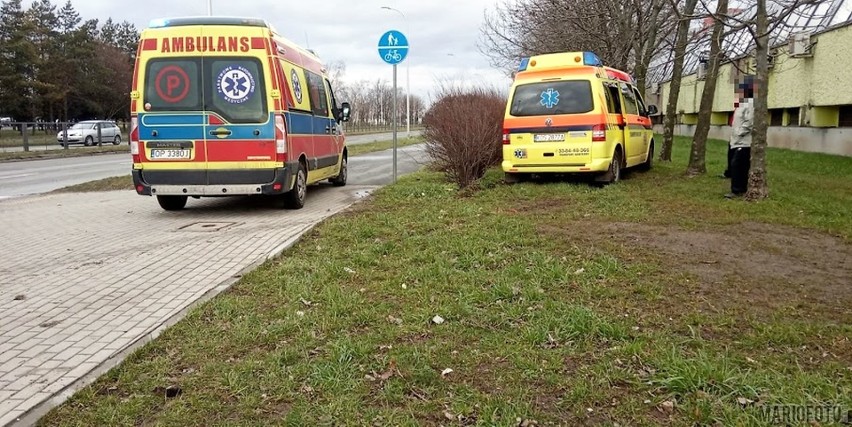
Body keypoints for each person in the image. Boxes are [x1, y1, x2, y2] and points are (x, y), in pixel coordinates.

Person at [726, 80, 754, 198]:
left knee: (738, 165)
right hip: (735, 141)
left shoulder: (751, 103)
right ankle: (737, 188)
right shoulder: (741, 104)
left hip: (744, 141)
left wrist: (739, 133)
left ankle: (738, 190)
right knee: (734, 164)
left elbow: (749, 121)